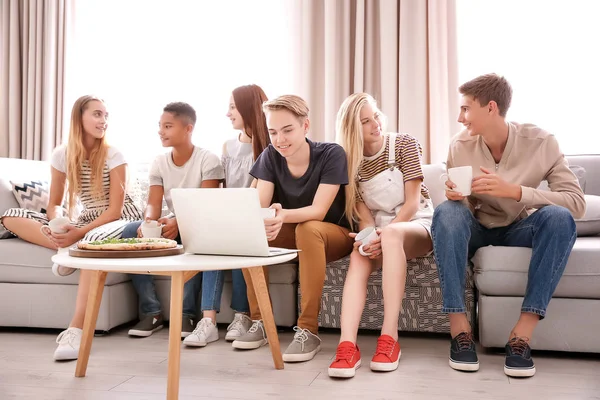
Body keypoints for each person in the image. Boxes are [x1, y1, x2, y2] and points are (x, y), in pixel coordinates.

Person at [432, 74, 585, 377]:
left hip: (518, 227)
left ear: (491, 107)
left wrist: (516, 192)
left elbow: (576, 203)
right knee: (447, 212)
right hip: (477, 228)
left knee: (559, 218)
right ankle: (459, 329)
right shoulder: (459, 145)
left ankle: (522, 335)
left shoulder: (541, 142)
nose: (460, 117)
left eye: (466, 109)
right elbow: (462, 208)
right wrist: (458, 198)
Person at [0, 95, 143, 360]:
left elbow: (114, 210)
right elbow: (54, 203)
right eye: (97, 114)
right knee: (10, 216)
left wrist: (79, 233)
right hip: (86, 220)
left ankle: (75, 331)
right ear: (80, 118)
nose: (104, 121)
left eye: (106, 115)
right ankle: (70, 248)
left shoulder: (114, 155)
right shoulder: (62, 154)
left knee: (90, 245)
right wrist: (59, 224)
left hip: (121, 218)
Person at [231, 94, 354, 362]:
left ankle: (308, 330)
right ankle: (260, 322)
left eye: (288, 130)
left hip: (333, 235)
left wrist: (280, 215)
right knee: (250, 234)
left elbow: (318, 211)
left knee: (308, 228)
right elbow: (261, 207)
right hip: (296, 233)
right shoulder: (270, 156)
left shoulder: (331, 154)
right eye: (273, 132)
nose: (280, 139)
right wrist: (261, 220)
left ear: (305, 126)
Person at [327, 93, 434, 378]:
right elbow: (364, 216)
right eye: (365, 121)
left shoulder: (404, 144)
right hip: (380, 228)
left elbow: (412, 203)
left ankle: (390, 339)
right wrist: (369, 238)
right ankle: (347, 346)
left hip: (416, 222)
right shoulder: (352, 165)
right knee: (358, 255)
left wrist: (385, 234)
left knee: (391, 236)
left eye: (376, 115)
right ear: (352, 130)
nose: (376, 124)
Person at [121, 102, 224, 345]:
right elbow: (154, 203)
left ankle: (187, 315)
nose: (161, 131)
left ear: (188, 128)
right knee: (128, 231)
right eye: (160, 126)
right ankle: (152, 312)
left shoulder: (208, 160)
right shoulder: (159, 162)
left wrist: (179, 221)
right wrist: (149, 221)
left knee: (197, 240)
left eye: (168, 126)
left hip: (200, 224)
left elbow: (204, 203)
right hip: (175, 223)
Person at [182, 84, 273, 346]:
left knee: (242, 240)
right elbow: (221, 190)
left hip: (254, 216)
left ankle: (242, 316)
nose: (228, 113)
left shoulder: (270, 145)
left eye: (233, 107)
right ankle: (208, 320)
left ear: (248, 108)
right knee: (211, 242)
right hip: (227, 215)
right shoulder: (228, 146)